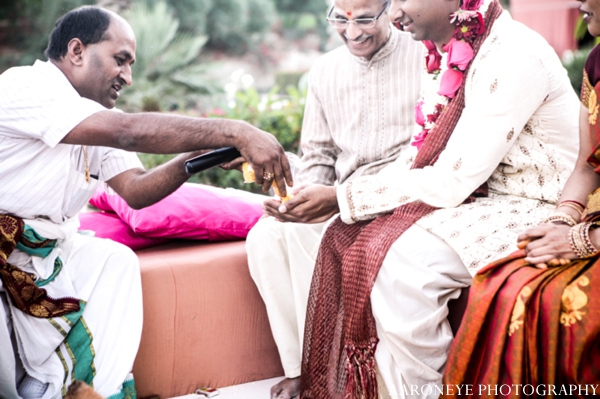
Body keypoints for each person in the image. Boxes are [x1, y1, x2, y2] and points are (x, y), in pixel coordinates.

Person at [0, 6, 292, 399]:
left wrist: (210, 154)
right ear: (76, 50)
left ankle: (86, 391)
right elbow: (129, 133)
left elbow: (137, 190)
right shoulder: (26, 87)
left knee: (113, 262)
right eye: (120, 60)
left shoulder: (97, 116)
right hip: (6, 251)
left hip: (43, 252)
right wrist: (236, 130)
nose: (128, 76)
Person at [294, 0, 581, 398]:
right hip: (488, 197)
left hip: (542, 203)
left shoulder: (511, 54)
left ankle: (427, 393)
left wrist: (343, 196)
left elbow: (454, 178)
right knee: (360, 235)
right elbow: (420, 156)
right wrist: (347, 201)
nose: (393, 16)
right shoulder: (453, 50)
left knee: (401, 260)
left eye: (401, 1)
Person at [245, 0, 424, 397]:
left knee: (306, 237)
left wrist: (336, 199)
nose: (353, 31)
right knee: (267, 236)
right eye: (340, 19)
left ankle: (338, 369)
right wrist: (299, 200)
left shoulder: (423, 53)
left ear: (390, 10)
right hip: (339, 197)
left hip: (401, 197)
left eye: (364, 19)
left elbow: (430, 156)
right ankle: (303, 367)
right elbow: (319, 156)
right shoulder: (325, 70)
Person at [442, 0, 600, 395]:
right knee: (501, 279)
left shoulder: (519, 53)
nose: (579, 3)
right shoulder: (597, 63)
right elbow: (586, 166)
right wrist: (562, 221)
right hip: (590, 217)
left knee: (557, 303)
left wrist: (584, 240)